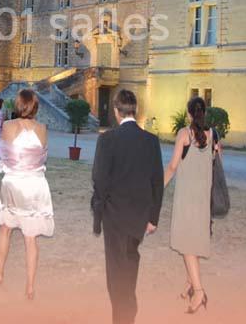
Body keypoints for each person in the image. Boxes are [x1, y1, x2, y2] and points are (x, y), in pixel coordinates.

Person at [91, 89, 164, 324]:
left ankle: (122, 316)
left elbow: (99, 179)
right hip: (138, 216)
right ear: (135, 110)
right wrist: (153, 217)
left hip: (114, 216)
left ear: (116, 111)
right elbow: (157, 182)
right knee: (131, 261)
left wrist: (99, 209)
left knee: (115, 270)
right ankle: (128, 311)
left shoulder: (107, 139)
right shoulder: (151, 141)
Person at [0, 89, 53, 300]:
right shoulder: (43, 129)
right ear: (35, 107)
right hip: (34, 185)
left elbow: (3, 153)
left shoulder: (8, 126)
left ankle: (0, 275)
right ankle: (29, 286)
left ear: (18, 105)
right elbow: (43, 157)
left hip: (13, 183)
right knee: (30, 239)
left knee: (5, 230)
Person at [163, 96, 218, 315]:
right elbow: (213, 156)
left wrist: (158, 188)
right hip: (203, 197)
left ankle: (199, 291)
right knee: (193, 240)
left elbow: (173, 166)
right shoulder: (211, 134)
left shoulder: (184, 135)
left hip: (187, 198)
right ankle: (189, 283)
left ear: (188, 114)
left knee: (186, 244)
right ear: (204, 112)